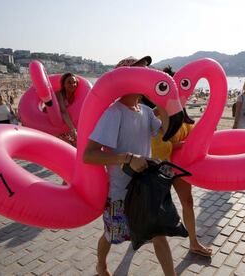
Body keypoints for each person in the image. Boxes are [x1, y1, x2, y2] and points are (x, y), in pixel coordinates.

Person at [83, 55, 176, 276]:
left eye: (148, 71)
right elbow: (89, 154)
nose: (147, 76)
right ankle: (101, 265)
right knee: (111, 235)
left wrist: (163, 102)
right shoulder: (114, 113)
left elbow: (166, 132)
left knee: (159, 234)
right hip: (121, 192)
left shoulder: (144, 110)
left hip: (146, 188)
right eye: (141, 72)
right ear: (126, 78)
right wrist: (127, 158)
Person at [150, 65, 213, 257]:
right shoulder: (155, 112)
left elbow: (189, 135)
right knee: (155, 208)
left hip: (179, 166)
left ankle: (193, 242)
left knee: (188, 201)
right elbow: (158, 145)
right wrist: (184, 144)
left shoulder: (182, 110)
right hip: (160, 167)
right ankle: (144, 233)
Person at [55, 73, 79, 147]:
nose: (72, 84)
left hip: (68, 128)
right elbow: (63, 111)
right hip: (57, 128)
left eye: (74, 82)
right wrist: (73, 130)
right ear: (64, 84)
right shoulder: (59, 94)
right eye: (69, 82)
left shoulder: (76, 97)